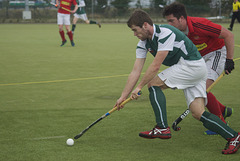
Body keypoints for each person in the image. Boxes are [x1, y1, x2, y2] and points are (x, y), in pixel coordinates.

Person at [114, 9, 240, 154]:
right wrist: (123, 96)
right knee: (198, 112)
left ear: (145, 25)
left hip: (191, 66)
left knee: (153, 84)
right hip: (192, 70)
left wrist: (139, 87)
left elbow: (155, 66)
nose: (135, 34)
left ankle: (162, 127)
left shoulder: (165, 33)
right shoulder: (143, 44)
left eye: (135, 30)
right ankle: (233, 137)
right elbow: (135, 71)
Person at [162, 2, 235, 135]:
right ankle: (222, 109)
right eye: (167, 21)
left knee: (203, 89)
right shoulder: (175, 33)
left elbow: (228, 35)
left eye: (172, 21)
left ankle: (221, 123)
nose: (169, 25)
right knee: (198, 87)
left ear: (182, 18)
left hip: (216, 53)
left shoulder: (200, 24)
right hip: (198, 59)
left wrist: (229, 60)